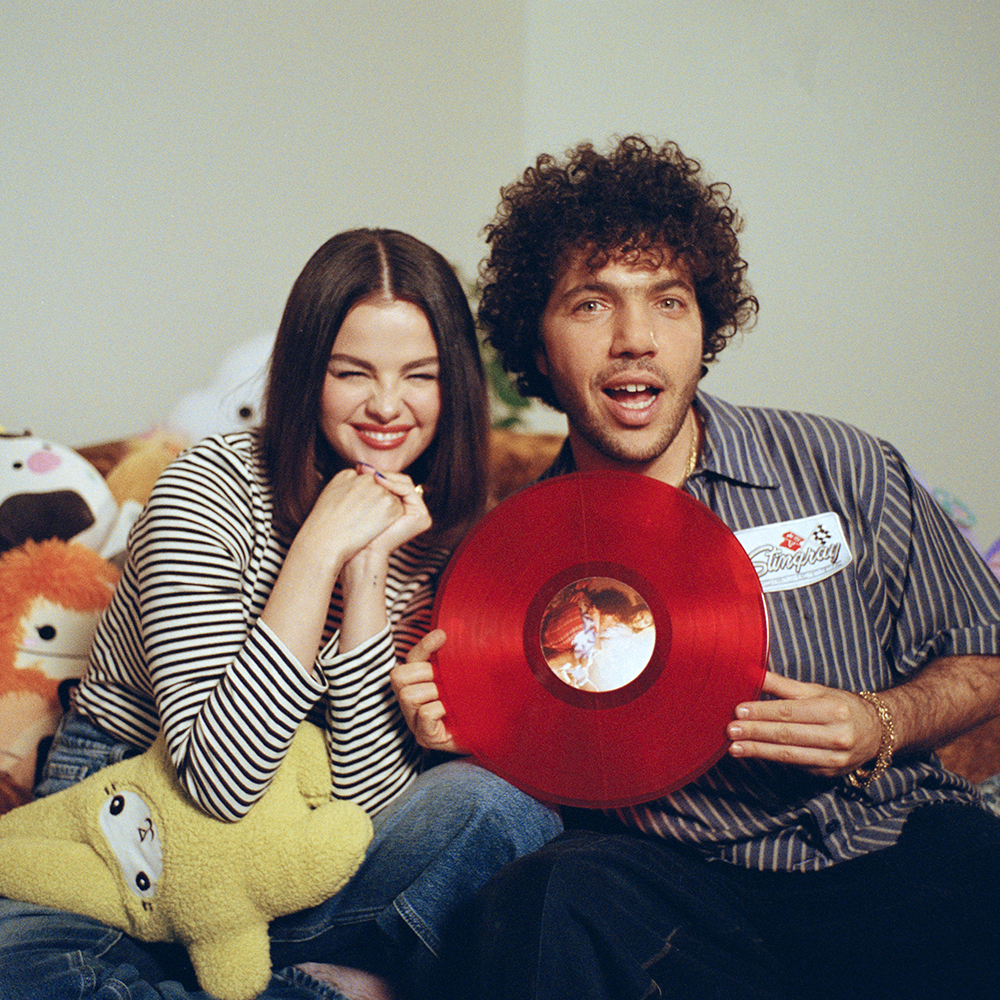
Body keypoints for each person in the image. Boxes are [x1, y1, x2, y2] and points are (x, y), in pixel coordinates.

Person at [393, 138, 1000, 1000]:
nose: (634, 340)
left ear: (705, 324)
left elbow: (986, 650)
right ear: (536, 336)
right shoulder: (500, 565)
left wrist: (883, 721)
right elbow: (503, 784)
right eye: (592, 304)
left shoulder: (843, 464)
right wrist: (458, 732)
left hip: (890, 848)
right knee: (535, 907)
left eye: (667, 302)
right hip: (678, 897)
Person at [0, 228, 562, 1000]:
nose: (388, 406)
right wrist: (319, 553)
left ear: (454, 385)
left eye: (419, 376)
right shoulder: (204, 489)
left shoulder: (446, 538)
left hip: (296, 852)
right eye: (352, 373)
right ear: (306, 375)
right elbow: (218, 782)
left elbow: (362, 810)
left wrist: (368, 582)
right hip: (125, 823)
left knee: (500, 805)